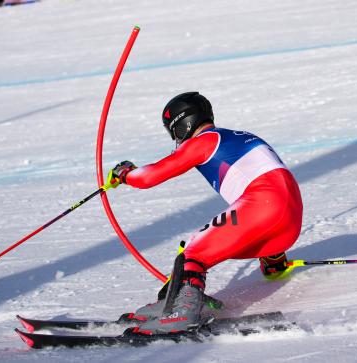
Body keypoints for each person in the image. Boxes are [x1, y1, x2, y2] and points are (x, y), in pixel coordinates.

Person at [107, 91, 303, 334]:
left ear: (184, 124)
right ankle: (173, 301)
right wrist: (274, 258)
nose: (177, 139)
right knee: (203, 244)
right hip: (289, 221)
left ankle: (184, 312)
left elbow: (149, 177)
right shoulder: (239, 136)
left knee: (194, 250)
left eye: (175, 132)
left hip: (262, 204)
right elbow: (274, 188)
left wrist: (125, 173)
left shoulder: (205, 141)